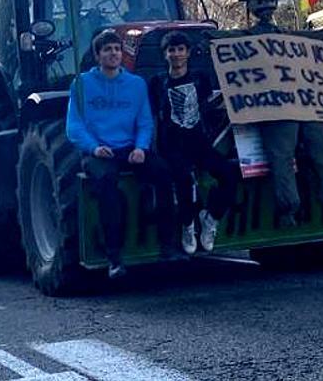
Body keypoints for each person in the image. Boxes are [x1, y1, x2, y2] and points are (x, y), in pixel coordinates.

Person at [67, 31, 180, 279]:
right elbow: (74, 125)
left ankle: (168, 245)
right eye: (107, 50)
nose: (113, 54)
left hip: (130, 148)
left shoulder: (136, 84)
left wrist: (141, 148)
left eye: (117, 49)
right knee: (107, 184)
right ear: (97, 55)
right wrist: (94, 147)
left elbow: (145, 122)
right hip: (99, 150)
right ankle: (114, 257)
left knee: (163, 173)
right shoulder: (81, 85)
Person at [241, 0, 323, 225]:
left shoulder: (289, 37)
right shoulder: (244, 39)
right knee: (281, 156)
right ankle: (288, 208)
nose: (266, 5)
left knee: (321, 150)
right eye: (259, 0)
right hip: (275, 107)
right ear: (251, 5)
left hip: (301, 103)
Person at [148, 31, 240, 254]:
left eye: (180, 49)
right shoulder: (157, 82)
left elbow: (209, 108)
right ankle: (187, 225)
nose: (176, 54)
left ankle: (210, 219)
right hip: (171, 147)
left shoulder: (201, 78)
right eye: (171, 50)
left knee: (229, 174)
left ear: (188, 53)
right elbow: (151, 115)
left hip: (199, 144)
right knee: (182, 181)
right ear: (165, 54)